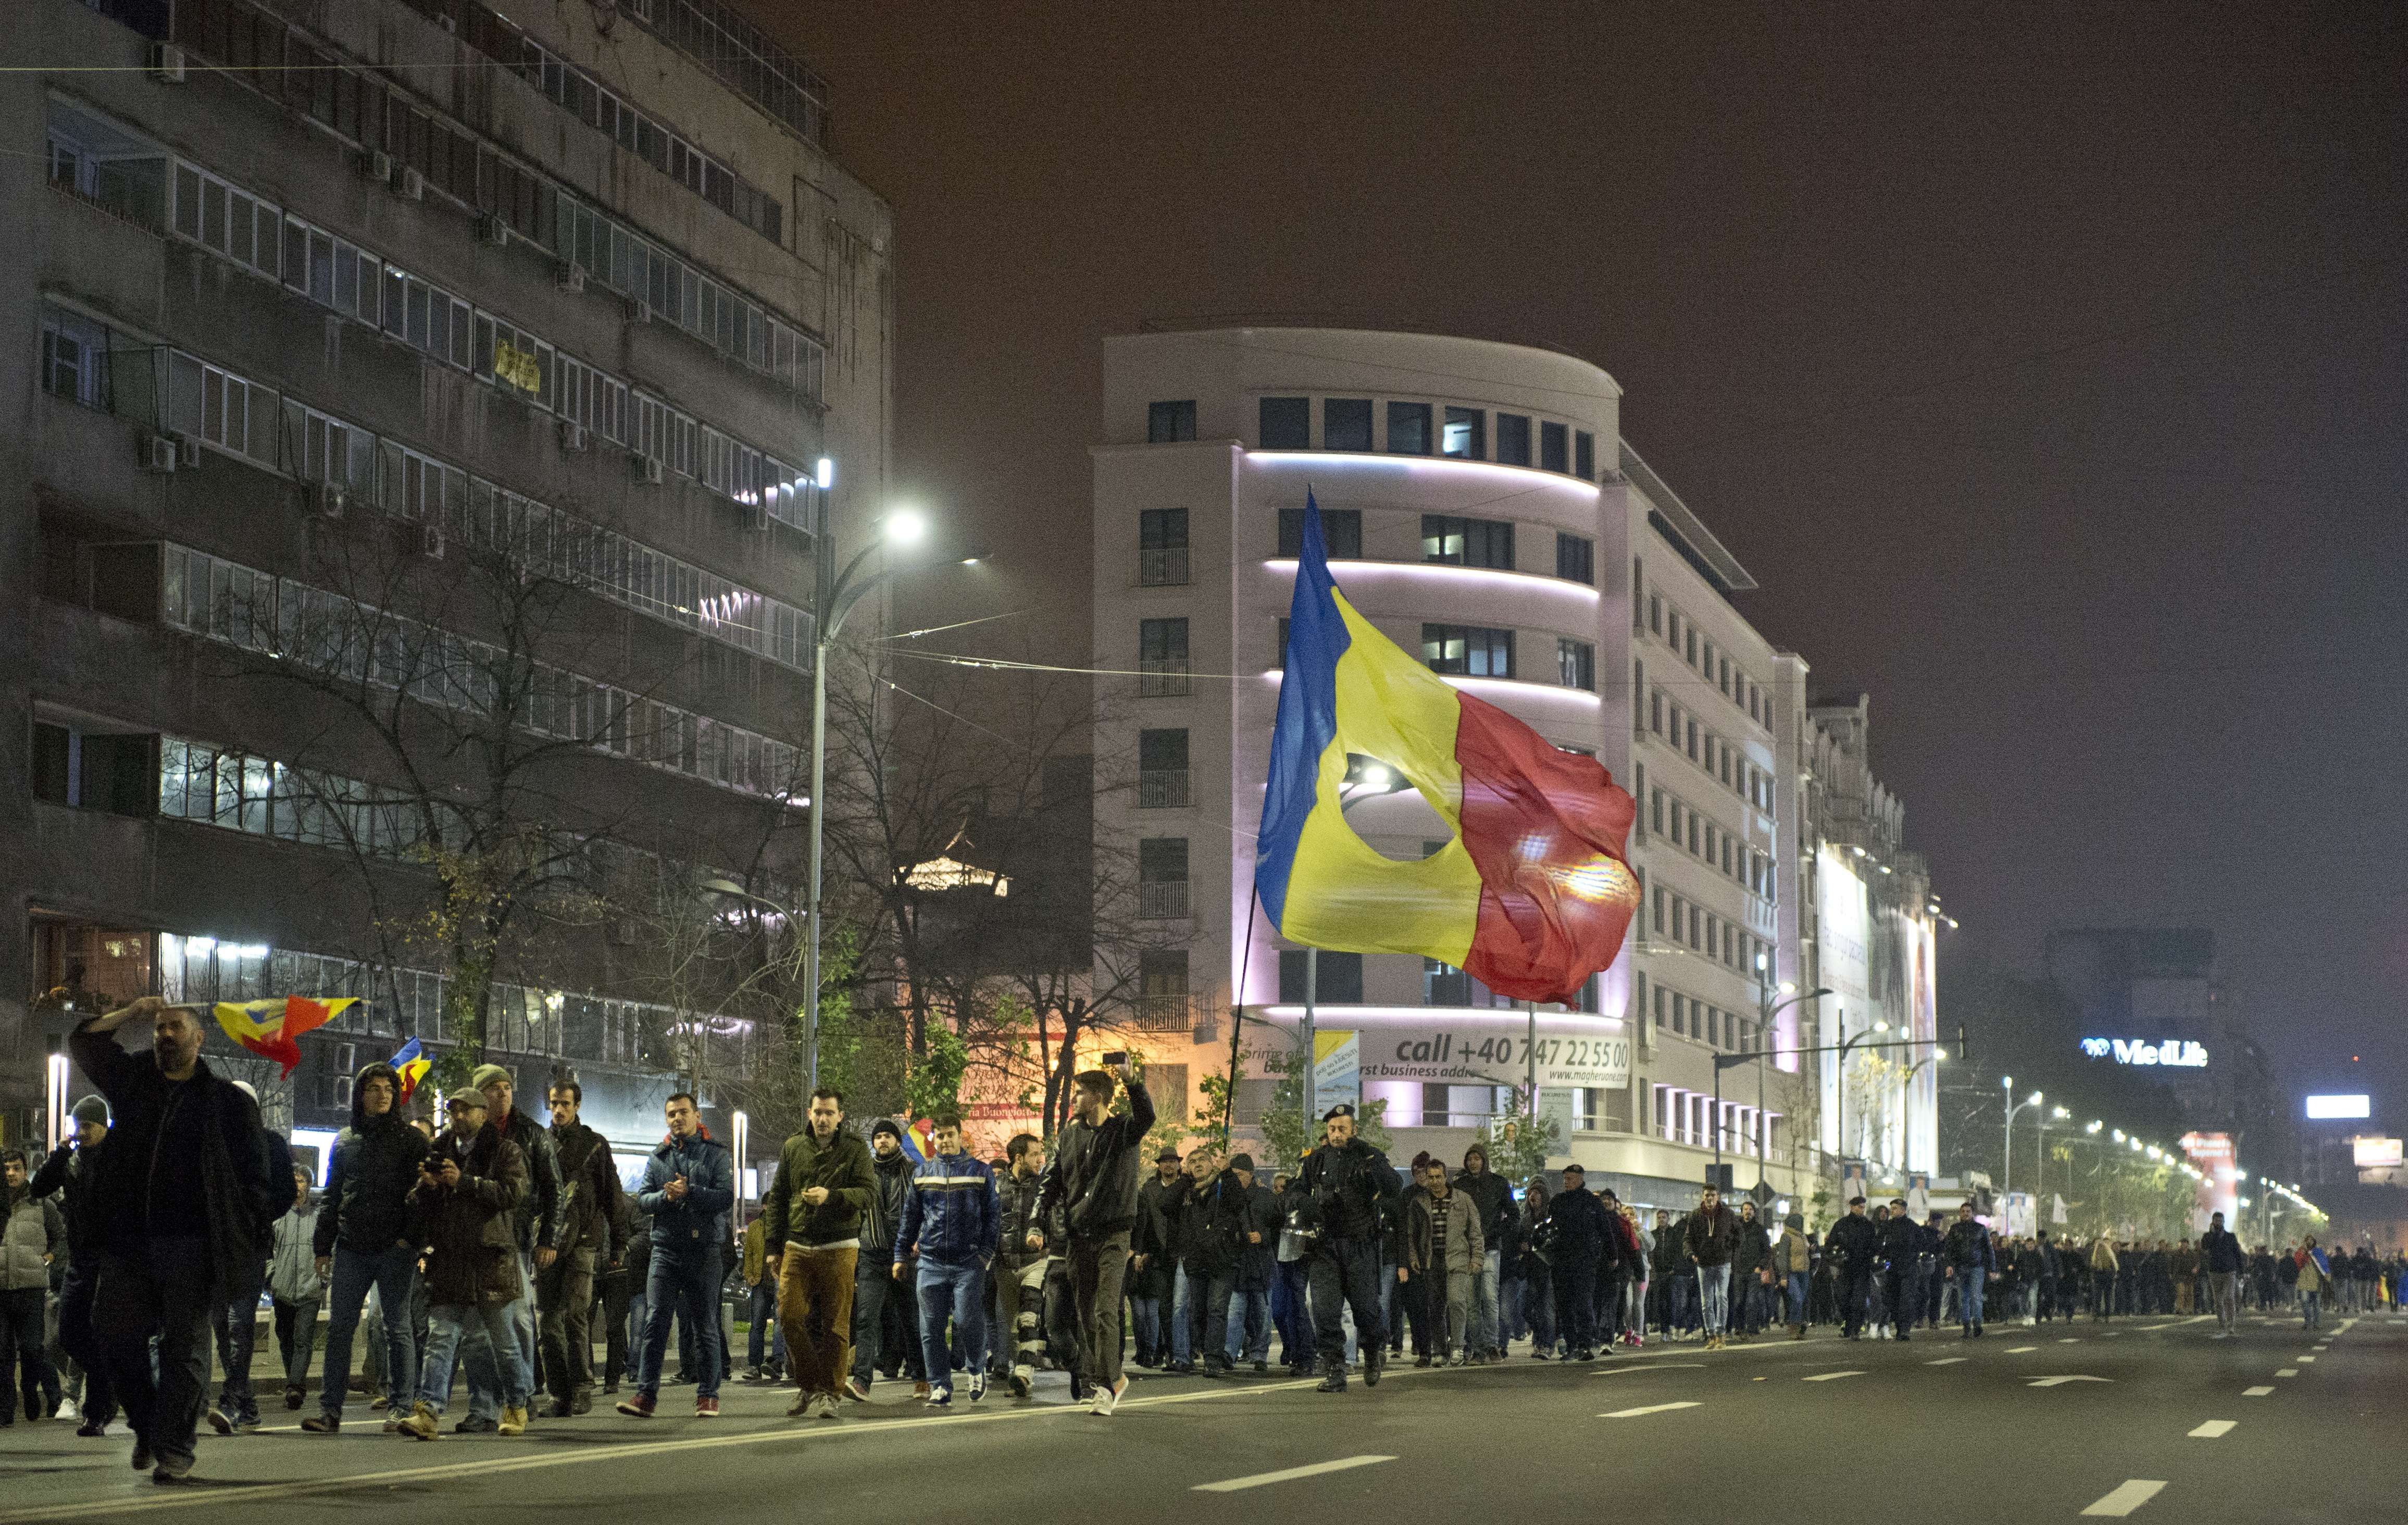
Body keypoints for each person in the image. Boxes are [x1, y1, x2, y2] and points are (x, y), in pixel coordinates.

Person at [70, 995, 275, 1483]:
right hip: (129, 1243)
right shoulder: (134, 1082)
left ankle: (176, 1446)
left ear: (199, 1038)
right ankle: (146, 1424)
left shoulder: (225, 1102)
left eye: (175, 1027)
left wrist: (239, 1234)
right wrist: (135, 1011)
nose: (165, 1035)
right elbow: (87, 1042)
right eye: (159, 1028)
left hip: (192, 1247)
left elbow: (258, 1182)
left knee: (184, 1350)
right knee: (115, 1335)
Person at [394, 1089, 533, 1440]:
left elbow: (513, 1194)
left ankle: (517, 1405)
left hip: (490, 1260)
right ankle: (427, 1412)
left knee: (503, 1342)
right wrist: (426, 1187)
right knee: (440, 1337)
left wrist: (466, 1182)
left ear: (483, 1114)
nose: (457, 1117)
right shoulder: (439, 1151)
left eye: (465, 1110)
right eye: (453, 1110)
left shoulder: (505, 1151)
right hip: (451, 1258)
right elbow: (422, 1206)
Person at [303, 1061, 430, 1433]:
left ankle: (402, 1406)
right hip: (353, 1247)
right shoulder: (344, 1141)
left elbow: (425, 1195)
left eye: (389, 1089)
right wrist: (322, 1246)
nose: (383, 1095)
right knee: (341, 1328)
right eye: (374, 1088)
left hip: (395, 1248)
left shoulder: (411, 1140)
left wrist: (411, 1239)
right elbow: (332, 1195)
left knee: (398, 1327)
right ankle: (330, 1411)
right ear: (361, 1095)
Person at [1034, 1059, 1154, 1416]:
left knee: (1105, 1310)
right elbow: (1053, 1181)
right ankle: (1111, 1378)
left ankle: (1105, 1384)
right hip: (1078, 1238)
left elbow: (1146, 1116)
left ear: (1098, 1096)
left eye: (1080, 1092)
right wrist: (1035, 1222)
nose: (1074, 1098)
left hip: (1114, 1234)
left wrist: (1132, 1081)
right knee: (1086, 1315)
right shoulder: (1070, 1135)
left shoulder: (1124, 1130)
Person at [454, 1066, 558, 1435]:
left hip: (516, 1242)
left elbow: (552, 1190)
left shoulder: (531, 1134)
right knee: (476, 1332)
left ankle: (522, 1396)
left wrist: (549, 1238)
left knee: (518, 1322)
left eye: (507, 1087)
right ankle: (483, 1406)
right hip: (472, 1245)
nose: (503, 1094)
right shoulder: (462, 1139)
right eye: (494, 1089)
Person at [760, 1086, 875, 1419]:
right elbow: (779, 1198)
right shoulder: (793, 1146)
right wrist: (771, 1249)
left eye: (829, 1113)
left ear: (841, 1117)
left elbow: (868, 1193)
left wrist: (832, 1196)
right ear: (809, 1114)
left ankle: (830, 1392)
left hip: (840, 1246)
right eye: (818, 1112)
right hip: (797, 1244)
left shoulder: (855, 1149)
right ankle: (810, 1384)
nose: (823, 1119)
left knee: (836, 1326)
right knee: (789, 1315)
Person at [618, 1092, 733, 1419]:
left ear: (697, 1115)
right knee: (655, 1322)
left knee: (705, 1324)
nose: (677, 1119)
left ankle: (708, 1395)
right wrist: (665, 1198)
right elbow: (642, 1200)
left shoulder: (716, 1154)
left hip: (704, 1251)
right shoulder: (658, 1157)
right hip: (665, 1249)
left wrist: (692, 1192)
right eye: (671, 1114)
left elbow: (726, 1196)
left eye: (683, 1112)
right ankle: (645, 1395)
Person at [893, 1111, 999, 1408]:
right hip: (930, 1261)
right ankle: (940, 1385)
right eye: (940, 1136)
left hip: (969, 1262)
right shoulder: (922, 1174)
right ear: (934, 1139)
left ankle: (976, 1369)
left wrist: (985, 1255)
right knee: (930, 1329)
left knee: (966, 1320)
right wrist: (901, 1255)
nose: (945, 1140)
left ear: (960, 1136)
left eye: (950, 1134)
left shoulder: (980, 1171)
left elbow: (993, 1218)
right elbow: (910, 1219)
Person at [1299, 1104, 1399, 1394]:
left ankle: (1371, 1353)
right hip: (1325, 1246)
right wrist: (1303, 1203)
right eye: (1332, 1129)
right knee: (1325, 1311)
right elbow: (1295, 1190)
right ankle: (1335, 1368)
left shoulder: (1369, 1156)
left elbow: (1394, 1187)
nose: (1337, 1134)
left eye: (1343, 1129)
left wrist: (1374, 1162)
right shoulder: (1316, 1160)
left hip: (1360, 1245)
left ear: (1354, 1130)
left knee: (1367, 1309)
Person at [29, 1097, 114, 1435]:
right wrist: (61, 1152)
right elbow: (39, 1188)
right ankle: (106, 1387)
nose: (82, 1132)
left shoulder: (118, 1159)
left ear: (103, 1125)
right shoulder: (73, 1161)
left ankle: (95, 1413)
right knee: (66, 1335)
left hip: (111, 1262)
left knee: (100, 1333)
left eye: (88, 1126)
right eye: (78, 1126)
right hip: (80, 1262)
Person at [540, 1079, 625, 1416]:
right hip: (548, 1242)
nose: (558, 1109)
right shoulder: (540, 1142)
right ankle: (558, 1393)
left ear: (577, 1106)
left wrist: (618, 1245)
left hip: (584, 1242)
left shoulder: (594, 1145)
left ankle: (581, 1387)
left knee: (576, 1314)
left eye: (565, 1103)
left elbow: (612, 1197)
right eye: (553, 1103)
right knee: (547, 1319)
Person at [847, 1119, 923, 1399]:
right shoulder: (864, 1172)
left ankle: (922, 1376)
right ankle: (862, 1382)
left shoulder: (913, 1171)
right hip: (872, 1255)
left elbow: (924, 1212)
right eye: (878, 1137)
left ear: (898, 1141)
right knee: (867, 1320)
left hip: (904, 1257)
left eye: (887, 1136)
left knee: (910, 1319)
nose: (882, 1141)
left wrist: (918, 1239)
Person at [0, 1148, 65, 1425]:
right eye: (6, 1168)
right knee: (2, 1353)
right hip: (1, 1288)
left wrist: (49, 1257)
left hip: (32, 1287)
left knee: (31, 1349)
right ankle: (5, 1411)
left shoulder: (41, 1203)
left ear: (26, 1171)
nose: (11, 1173)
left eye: (16, 1168)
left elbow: (61, 1236)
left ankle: (30, 1391)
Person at [1399, 1157, 1483, 1364]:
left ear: (1446, 1177)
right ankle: (1439, 1349)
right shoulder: (1419, 1202)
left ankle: (1457, 1347)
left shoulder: (1462, 1199)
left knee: (1457, 1302)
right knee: (1435, 1307)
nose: (1435, 1181)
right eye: (1431, 1177)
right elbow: (1411, 1234)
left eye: (1439, 1177)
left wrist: (1477, 1257)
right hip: (1431, 1259)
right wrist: (1413, 1257)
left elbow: (1475, 1231)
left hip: (1457, 1258)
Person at [1203, 1152, 1278, 1374]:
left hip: (1261, 1262)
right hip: (1238, 1261)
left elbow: (1277, 1227)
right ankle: (1229, 1351)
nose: (1236, 1178)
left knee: (1263, 1311)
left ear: (1251, 1175)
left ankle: (1260, 1354)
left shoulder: (1266, 1196)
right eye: (1233, 1174)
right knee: (1234, 1311)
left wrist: (1263, 1236)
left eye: (1240, 1175)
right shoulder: (1226, 1196)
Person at [265, 1165, 323, 1410]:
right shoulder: (277, 1216)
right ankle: (293, 1383)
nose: (297, 1185)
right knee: (286, 1338)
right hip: (283, 1288)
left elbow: (327, 1251)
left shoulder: (318, 1216)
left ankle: (296, 1387)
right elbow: (268, 1250)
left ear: (309, 1185)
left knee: (303, 1339)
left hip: (310, 1288)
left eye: (302, 1181)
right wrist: (271, 1277)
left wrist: (324, 1278)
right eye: (294, 1181)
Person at [1543, 1163, 1612, 1360]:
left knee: (1583, 1303)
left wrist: (1611, 1255)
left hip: (1584, 1262)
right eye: (1565, 1179)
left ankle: (1585, 1344)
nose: (1567, 1182)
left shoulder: (1592, 1202)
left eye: (1571, 1178)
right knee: (1564, 1305)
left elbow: (1604, 1230)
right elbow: (1550, 1228)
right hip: (1561, 1261)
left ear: (1581, 1179)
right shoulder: (1558, 1201)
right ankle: (1572, 1345)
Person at [1452, 1144, 1512, 1361]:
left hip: (1491, 1249)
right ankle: (1478, 1347)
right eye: (1470, 1159)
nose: (1473, 1163)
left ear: (1484, 1161)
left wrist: (1497, 1232)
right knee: (1471, 1301)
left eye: (1477, 1158)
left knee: (1489, 1297)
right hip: (1466, 1251)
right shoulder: (1460, 1186)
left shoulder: (1498, 1183)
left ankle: (1492, 1344)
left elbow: (1513, 1214)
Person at [1682, 1183, 1739, 1351]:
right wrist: (1691, 1253)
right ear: (1703, 1197)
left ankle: (1721, 1334)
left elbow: (1739, 1235)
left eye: (1713, 1195)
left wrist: (1730, 1248)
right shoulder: (1695, 1216)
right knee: (1707, 1302)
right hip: (1704, 1263)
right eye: (1707, 1195)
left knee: (1722, 1297)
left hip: (1723, 1262)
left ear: (1718, 1197)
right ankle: (1711, 1335)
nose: (1710, 1198)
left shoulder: (1728, 1214)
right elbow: (1687, 1239)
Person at [1825, 1196, 1879, 1340]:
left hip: (1862, 1268)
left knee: (1859, 1301)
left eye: (1863, 1207)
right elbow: (1830, 1246)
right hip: (1845, 1268)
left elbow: (1875, 1246)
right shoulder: (1841, 1225)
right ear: (1852, 1207)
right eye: (1860, 1207)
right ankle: (1848, 1326)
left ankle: (1855, 1330)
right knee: (1843, 1299)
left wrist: (1869, 1254)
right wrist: (1835, 1259)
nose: (1862, 1210)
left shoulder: (1868, 1226)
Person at [1941, 1203, 1995, 1338]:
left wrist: (1992, 1269)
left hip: (1977, 1267)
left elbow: (1989, 1250)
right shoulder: (1954, 1229)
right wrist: (1949, 1265)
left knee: (1976, 1296)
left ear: (1973, 1213)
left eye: (1968, 1211)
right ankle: (1966, 1326)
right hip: (1960, 1268)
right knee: (1963, 1298)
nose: (1966, 1213)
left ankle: (1977, 1324)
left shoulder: (1981, 1229)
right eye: (1963, 1211)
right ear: (1960, 1213)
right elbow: (1949, 1249)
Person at [1875, 1196, 1923, 1343]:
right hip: (1892, 1268)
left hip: (1908, 1268)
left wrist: (1914, 1256)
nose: (1892, 1211)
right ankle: (1898, 1324)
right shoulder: (1887, 1227)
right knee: (1892, 1299)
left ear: (1903, 1210)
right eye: (1892, 1209)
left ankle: (1904, 1329)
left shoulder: (1912, 1226)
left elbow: (1922, 1244)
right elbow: (1878, 1244)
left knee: (1907, 1299)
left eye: (1895, 1209)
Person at [1728, 1199, 1772, 1342]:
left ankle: (1752, 1327)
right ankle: (1739, 1327)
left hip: (1754, 1271)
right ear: (1742, 1212)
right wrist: (1731, 1265)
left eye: (1750, 1210)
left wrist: (1760, 1267)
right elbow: (1730, 1247)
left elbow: (1767, 1251)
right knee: (1739, 1301)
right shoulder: (1735, 1229)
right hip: (1739, 1270)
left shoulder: (1760, 1230)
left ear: (1754, 1212)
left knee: (1752, 1301)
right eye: (1745, 1209)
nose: (1748, 1212)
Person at [1772, 1212, 1813, 1338]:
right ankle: (1793, 1327)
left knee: (1802, 1300)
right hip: (1792, 1273)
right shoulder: (1786, 1236)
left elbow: (1806, 1254)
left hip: (1804, 1272)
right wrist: (1783, 1276)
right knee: (1797, 1299)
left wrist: (1811, 1248)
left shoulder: (1803, 1236)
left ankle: (1800, 1326)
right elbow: (1783, 1257)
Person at [2294, 1238, 2329, 1330]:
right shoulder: (2301, 1253)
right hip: (2304, 1282)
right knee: (2305, 1303)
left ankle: (2317, 1323)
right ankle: (2308, 1322)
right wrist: (2303, 1253)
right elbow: (2297, 1264)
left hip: (2316, 1282)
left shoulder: (2318, 1253)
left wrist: (2327, 1277)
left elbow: (2325, 1266)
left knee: (2316, 1305)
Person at [2088, 1233, 2119, 1322]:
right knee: (2100, 1298)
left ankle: (2105, 1316)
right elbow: (2092, 1267)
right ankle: (2100, 1315)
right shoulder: (2096, 1256)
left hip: (2106, 1277)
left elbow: (2114, 1267)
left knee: (2105, 1298)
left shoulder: (2108, 1255)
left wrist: (2111, 1275)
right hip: (2101, 1277)